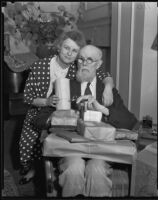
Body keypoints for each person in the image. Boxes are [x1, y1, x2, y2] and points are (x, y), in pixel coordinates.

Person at [33, 45, 139, 197]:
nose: (84, 63)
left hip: (101, 150)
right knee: (74, 167)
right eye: (81, 59)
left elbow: (130, 121)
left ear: (99, 64)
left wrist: (104, 110)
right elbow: (39, 119)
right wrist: (63, 116)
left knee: (96, 169)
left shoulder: (107, 91)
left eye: (90, 60)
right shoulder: (65, 86)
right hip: (70, 148)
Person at [19, 30, 114, 184]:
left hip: (67, 114)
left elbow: (103, 74)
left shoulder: (77, 67)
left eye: (75, 50)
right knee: (29, 143)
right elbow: (27, 97)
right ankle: (33, 169)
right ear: (59, 47)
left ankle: (57, 168)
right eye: (66, 48)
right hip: (39, 110)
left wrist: (108, 87)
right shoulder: (39, 66)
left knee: (65, 141)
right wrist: (47, 102)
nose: (70, 53)